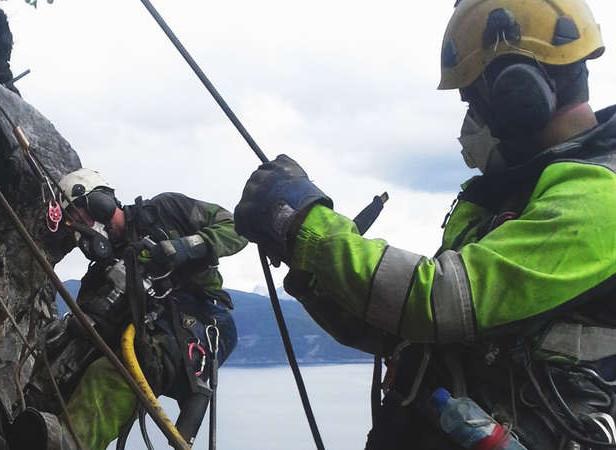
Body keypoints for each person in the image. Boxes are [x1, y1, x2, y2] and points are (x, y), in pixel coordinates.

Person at [234, 0, 616, 448]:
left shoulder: (600, 197)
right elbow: (405, 333)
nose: (470, 120)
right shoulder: (501, 200)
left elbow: (437, 301)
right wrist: (310, 266)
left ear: (518, 92)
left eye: (473, 99)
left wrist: (304, 223)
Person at [54, 168, 247, 450]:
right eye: (72, 223)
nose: (80, 228)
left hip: (203, 321)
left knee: (110, 375)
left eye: (79, 216)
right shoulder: (100, 276)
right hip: (148, 335)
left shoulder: (165, 211)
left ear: (99, 201)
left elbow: (235, 227)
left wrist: (187, 246)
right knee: (68, 371)